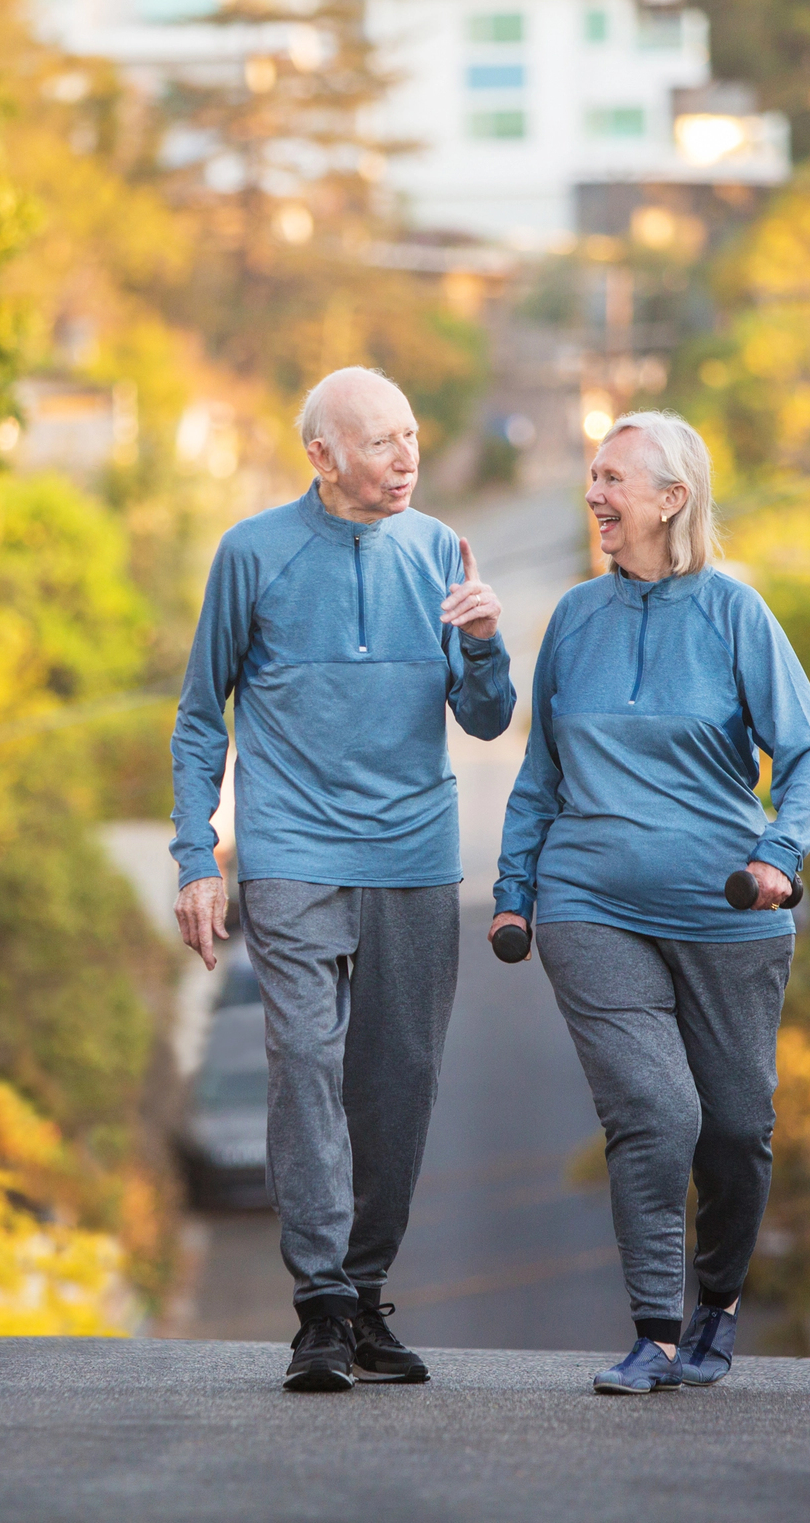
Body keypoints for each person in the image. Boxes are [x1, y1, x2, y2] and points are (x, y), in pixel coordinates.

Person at [170, 366, 515, 1392]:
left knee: (397, 1081)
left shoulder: (439, 551)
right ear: (321, 457)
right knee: (305, 1060)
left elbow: (487, 719)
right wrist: (199, 855)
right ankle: (319, 1303)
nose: (404, 456)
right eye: (379, 442)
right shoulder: (252, 554)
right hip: (292, 854)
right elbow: (200, 717)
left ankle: (364, 1293)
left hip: (413, 855)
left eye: (410, 435)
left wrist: (488, 646)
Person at [491, 410, 810, 1394]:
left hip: (728, 909)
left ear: (669, 499)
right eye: (591, 475)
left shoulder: (734, 613)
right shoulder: (571, 618)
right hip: (584, 901)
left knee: (733, 1125)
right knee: (654, 1107)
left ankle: (712, 1308)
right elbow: (538, 773)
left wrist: (778, 850)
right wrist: (514, 891)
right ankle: (650, 1330)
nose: (593, 493)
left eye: (611, 478)